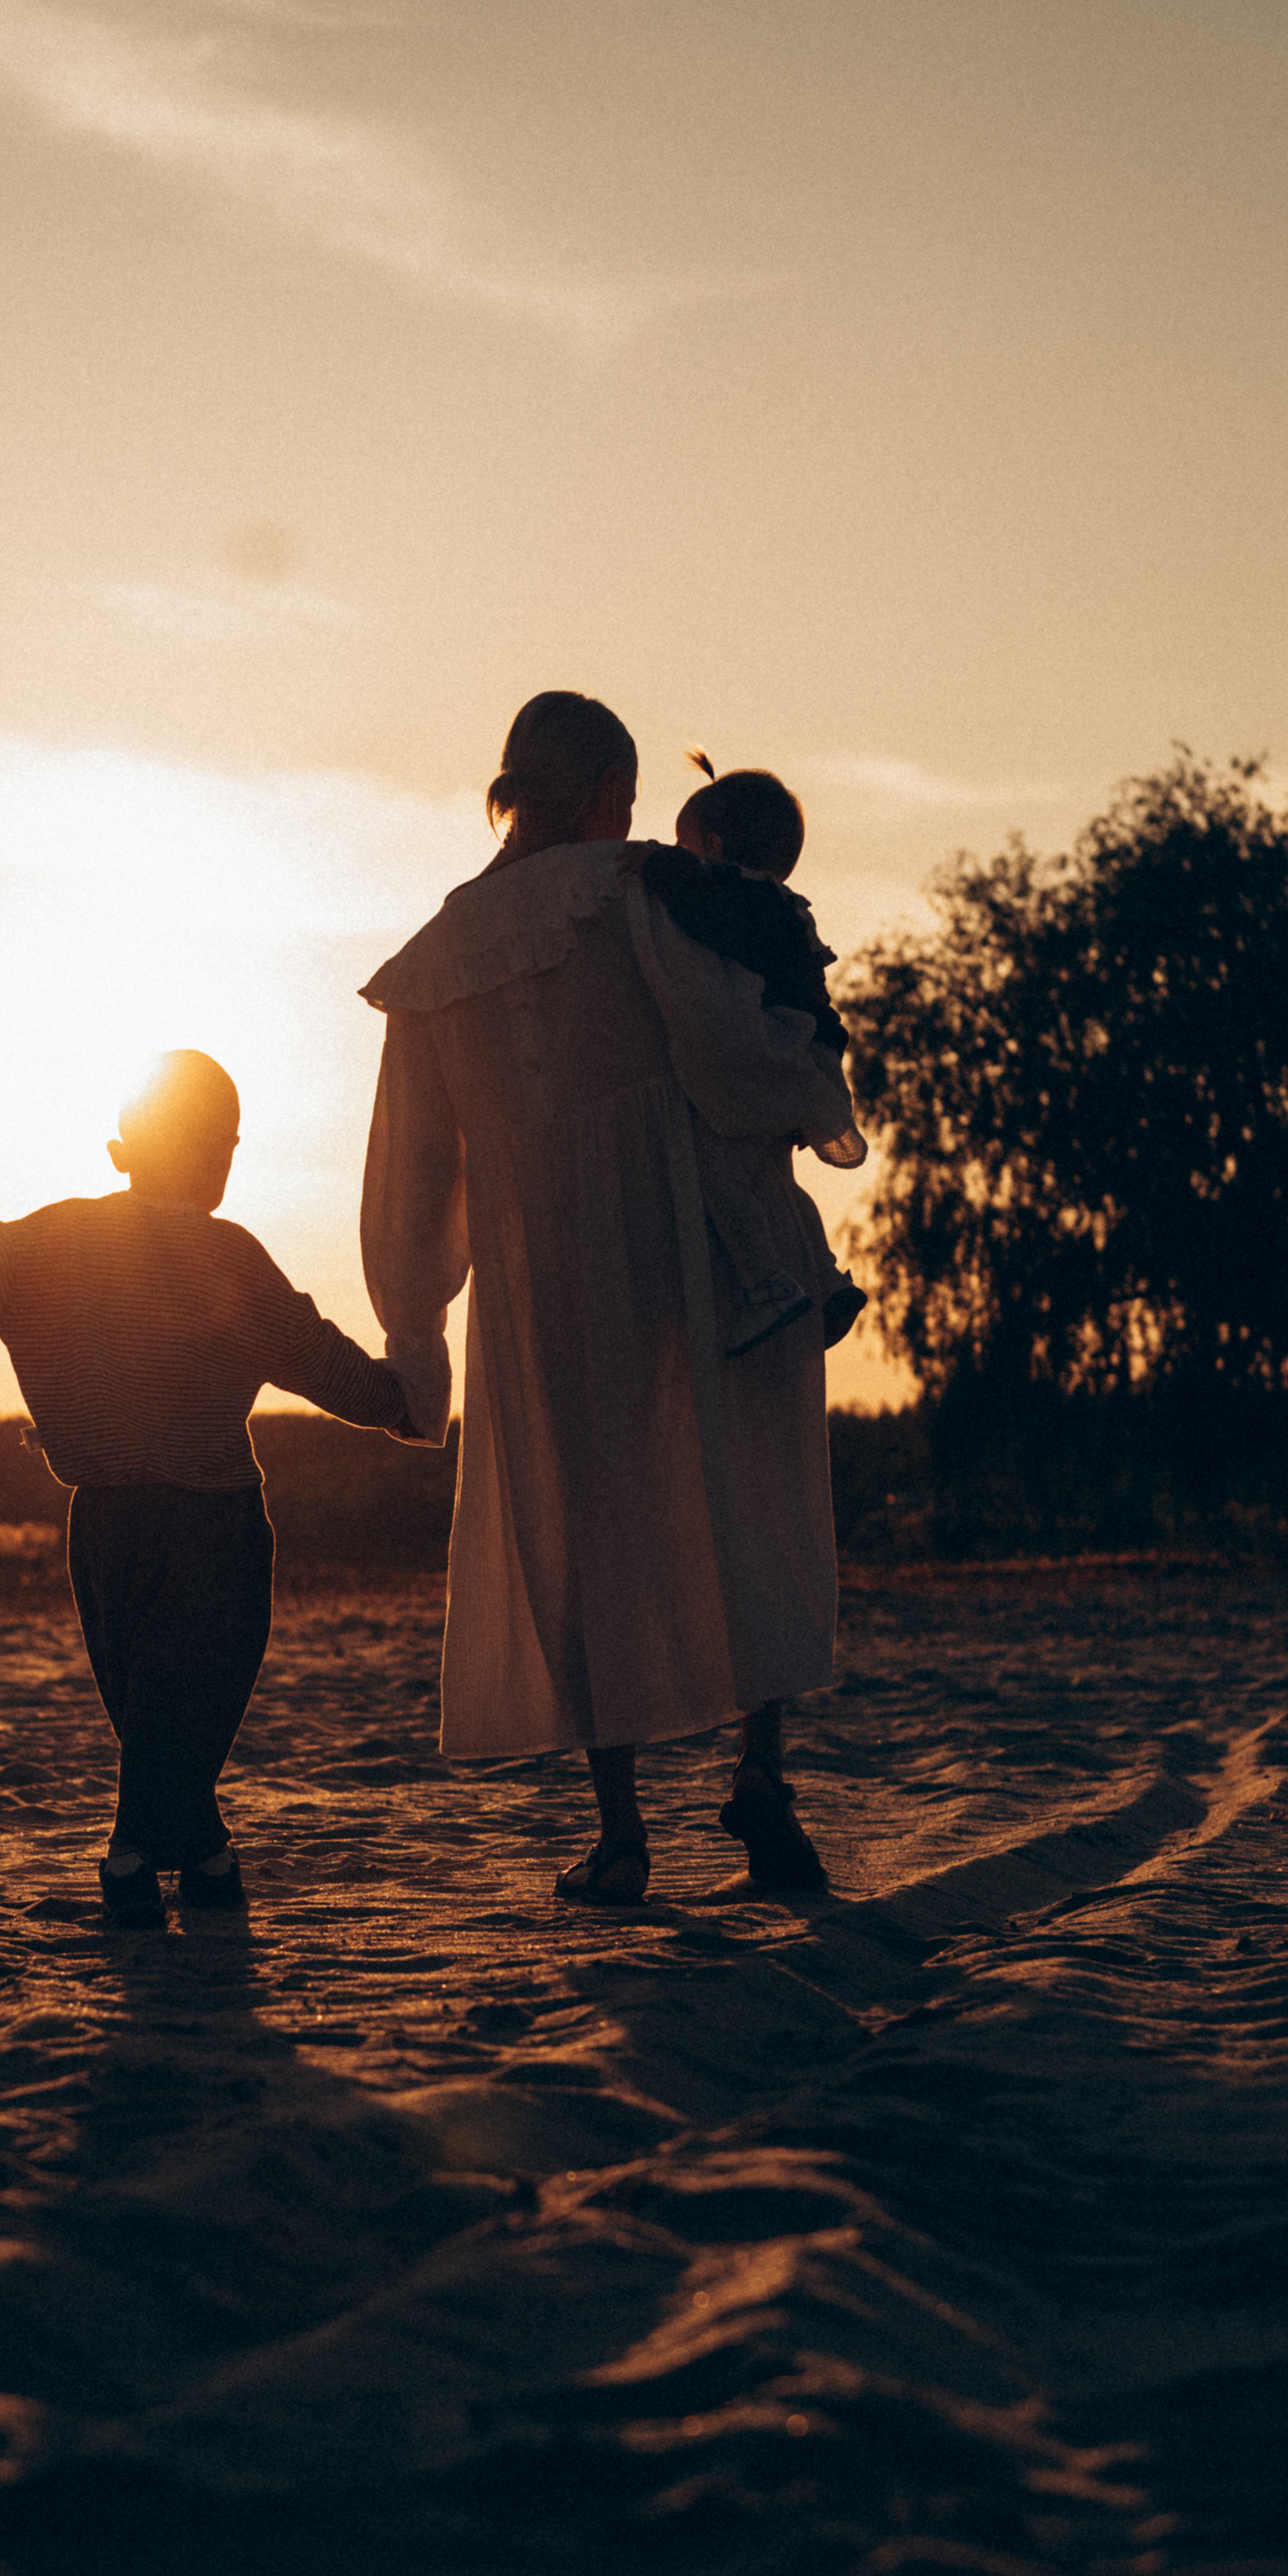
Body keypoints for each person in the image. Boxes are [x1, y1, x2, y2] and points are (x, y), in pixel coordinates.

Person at [359, 690, 859, 1905]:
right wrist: (809, 1083)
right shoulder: (636, 893)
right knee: (744, 1488)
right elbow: (723, 1042)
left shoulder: (436, 958)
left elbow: (413, 1165)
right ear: (600, 793)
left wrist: (416, 1316)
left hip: (542, 1271)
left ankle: (622, 1832)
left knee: (586, 1524)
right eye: (626, 797)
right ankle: (761, 1771)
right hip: (682, 1231)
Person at [0, 1050, 416, 1927]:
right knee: (179, 1698)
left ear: (127, 1148)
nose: (229, 1157)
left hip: (103, 1522)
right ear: (209, 1151)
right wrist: (401, 1402)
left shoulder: (51, 1244)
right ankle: (150, 1855)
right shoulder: (227, 1256)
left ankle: (192, 1857)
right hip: (212, 1519)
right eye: (226, 1141)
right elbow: (318, 1358)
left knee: (148, 1698)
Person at [639, 761, 869, 1354]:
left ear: (714, 848)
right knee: (770, 1176)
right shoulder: (781, 907)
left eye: (686, 845)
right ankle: (826, 1275)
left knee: (714, 1168)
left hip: (779, 1052)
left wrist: (652, 863)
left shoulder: (742, 900)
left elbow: (699, 911)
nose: (679, 856)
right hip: (805, 1057)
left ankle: (766, 1284)